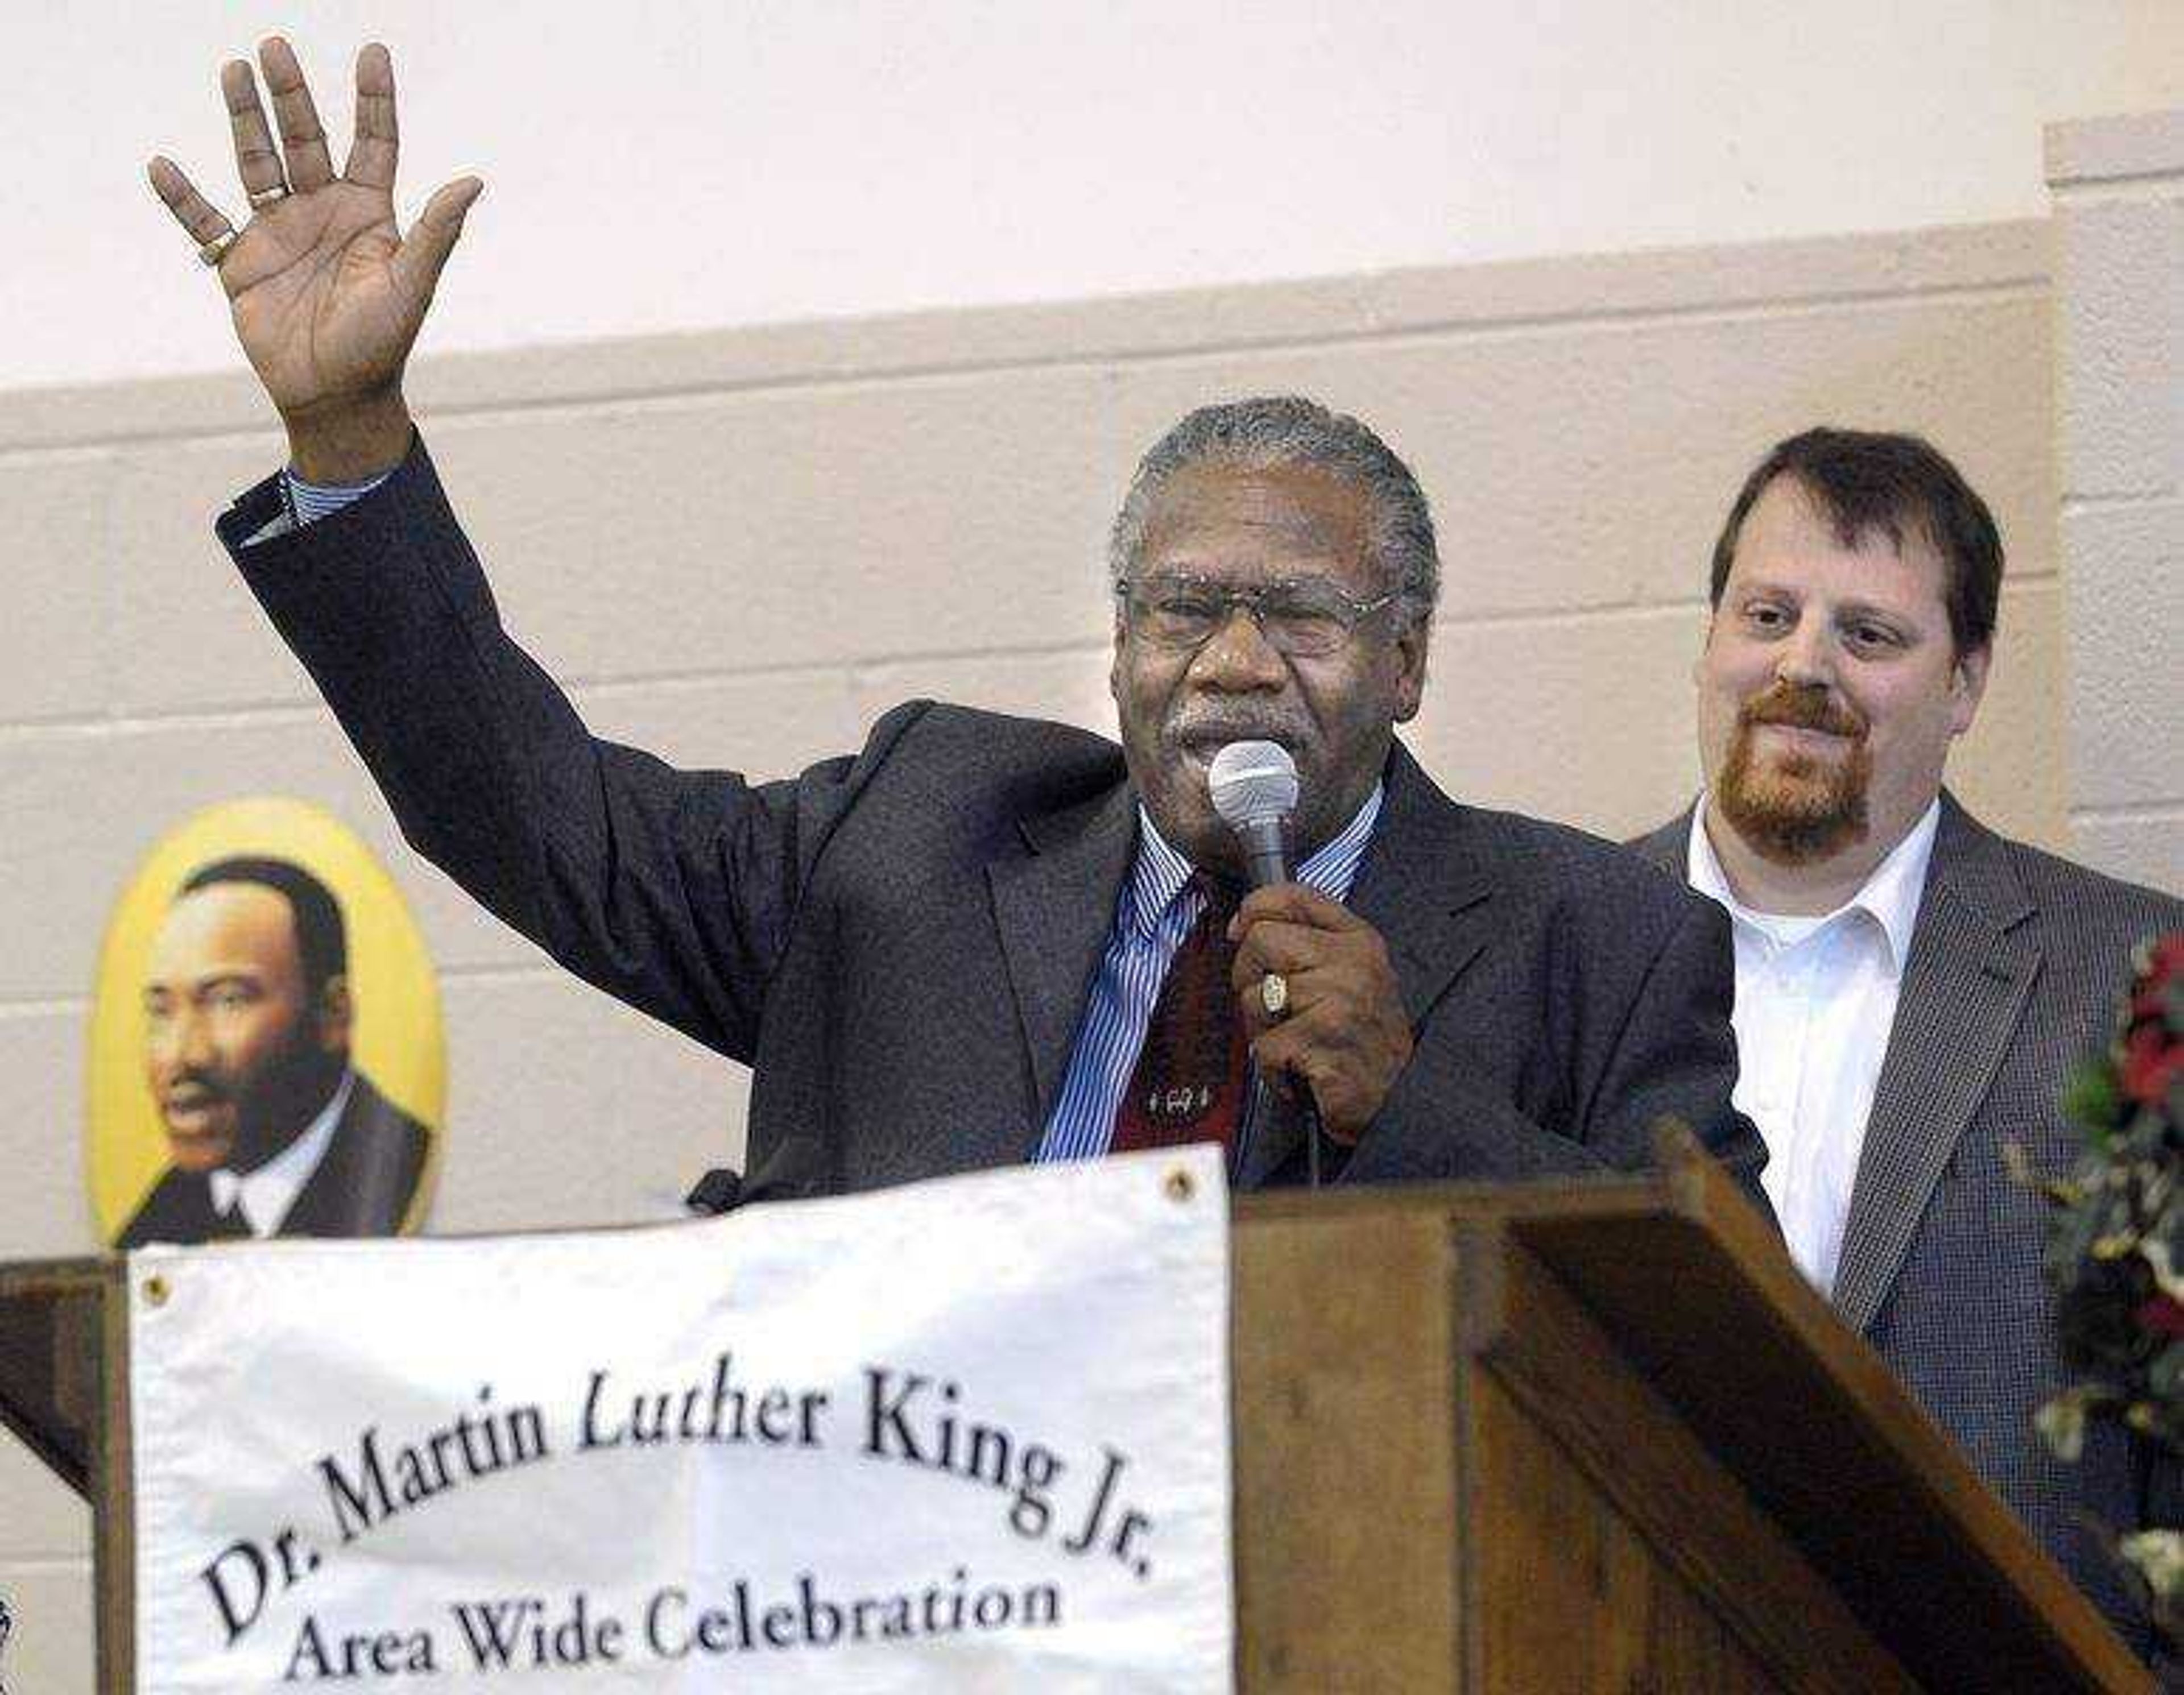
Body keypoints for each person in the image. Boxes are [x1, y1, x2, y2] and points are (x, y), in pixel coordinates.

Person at [146, 36, 1765, 1207]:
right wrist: (350, 444)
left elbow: (1731, 1359)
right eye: (1183, 609)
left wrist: (1415, 1107)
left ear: (1409, 657)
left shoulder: (1599, 940)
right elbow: (545, 819)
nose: (1234, 662)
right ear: (1120, 645)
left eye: (1303, 616)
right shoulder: (920, 834)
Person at [1631, 426, 2183, 1650]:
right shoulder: (1558, 947)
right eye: (1767, 613)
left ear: (1968, 683)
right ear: (1711, 637)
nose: (1803, 665)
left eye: (1869, 634)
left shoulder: (2141, 984)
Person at [120, 856, 432, 1245]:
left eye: (228, 999)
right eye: (161, 1010)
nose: (186, 1054)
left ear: (333, 1013)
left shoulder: (401, 1170)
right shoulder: (156, 1223)